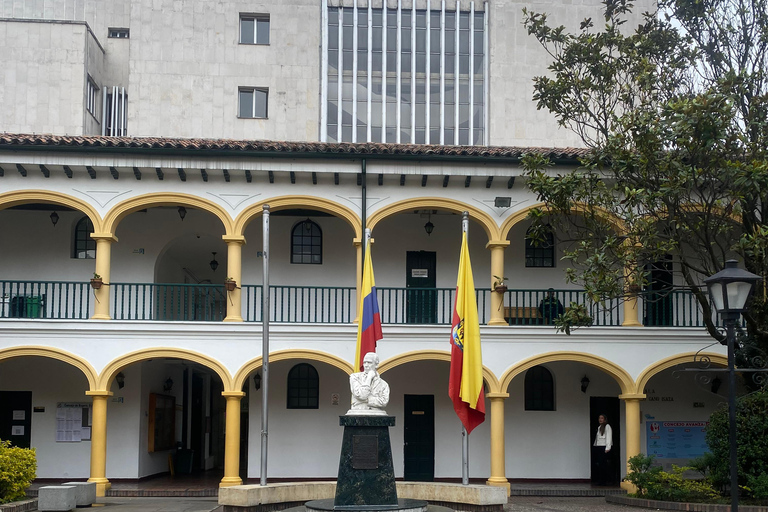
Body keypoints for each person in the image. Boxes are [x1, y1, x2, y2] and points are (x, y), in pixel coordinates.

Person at [592, 414, 613, 486]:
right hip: (599, 447)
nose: (600, 419)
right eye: (599, 418)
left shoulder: (607, 427)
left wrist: (608, 447)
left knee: (604, 464)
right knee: (600, 464)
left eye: (602, 418)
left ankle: (605, 480)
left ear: (605, 419)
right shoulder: (599, 427)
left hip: (604, 447)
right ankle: (601, 480)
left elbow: (609, 437)